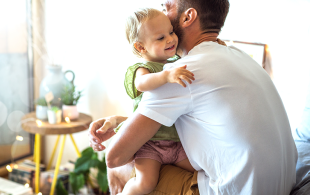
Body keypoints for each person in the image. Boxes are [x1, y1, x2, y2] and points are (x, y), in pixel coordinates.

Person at [89, 0, 298, 194]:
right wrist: (120, 122)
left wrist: (125, 131)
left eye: (166, 8)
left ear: (188, 17)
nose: (161, 15)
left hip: (236, 190)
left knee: (123, 167)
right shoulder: (241, 56)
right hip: (283, 184)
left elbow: (114, 157)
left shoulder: (181, 73)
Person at [113, 8, 196, 195]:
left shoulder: (177, 60)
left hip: (177, 143)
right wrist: (166, 76)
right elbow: (142, 84)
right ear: (140, 47)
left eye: (171, 32)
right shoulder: (143, 68)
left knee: (202, 170)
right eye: (160, 38)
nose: (171, 39)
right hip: (150, 145)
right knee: (145, 184)